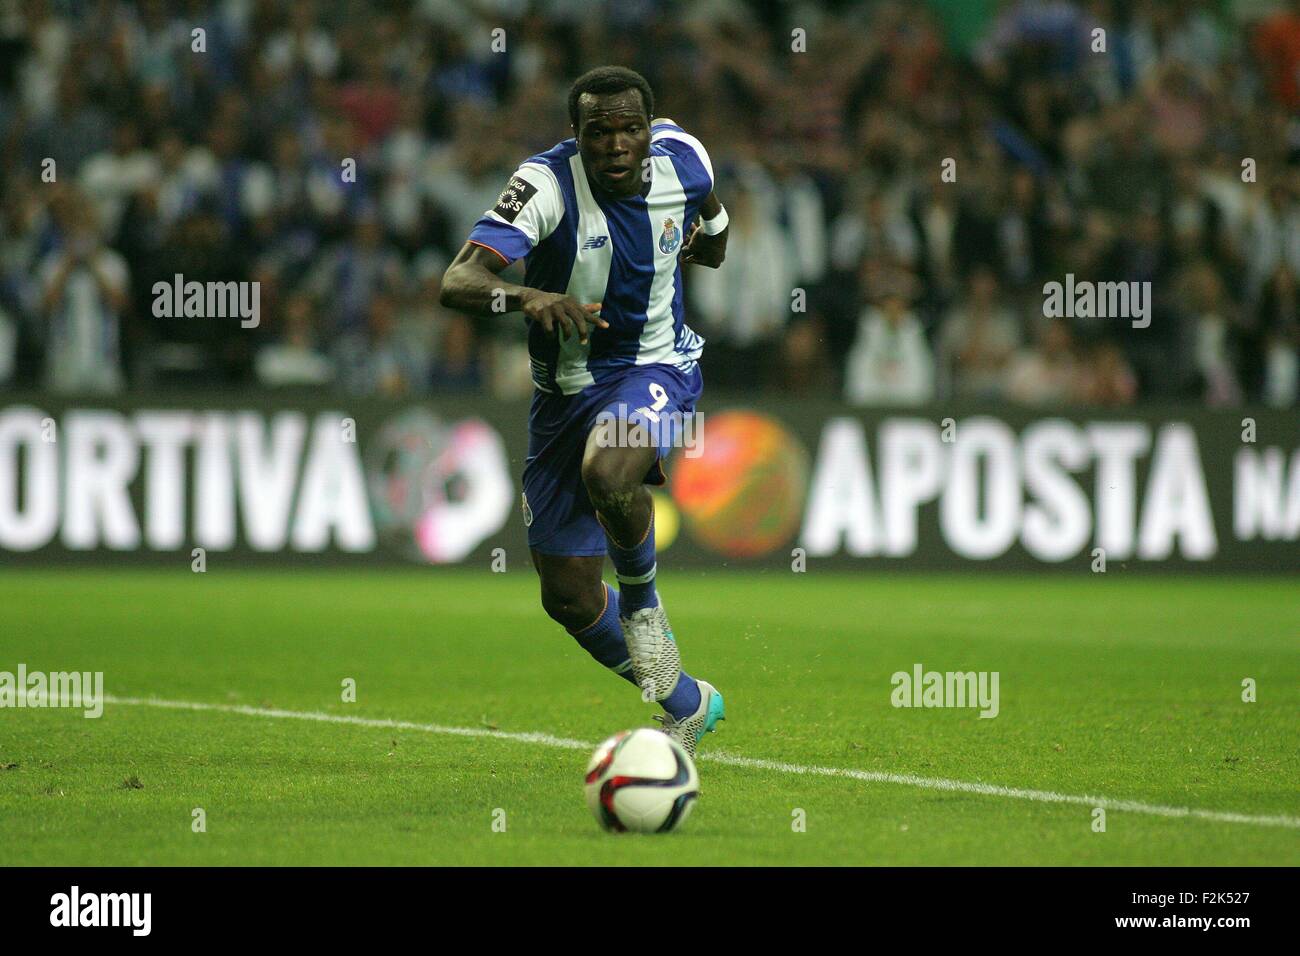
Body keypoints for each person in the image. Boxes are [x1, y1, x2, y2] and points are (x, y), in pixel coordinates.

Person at [439, 67, 728, 756]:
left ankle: (643, 603)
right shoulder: (544, 185)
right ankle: (688, 702)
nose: (617, 145)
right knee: (566, 595)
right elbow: (459, 279)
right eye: (599, 132)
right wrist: (525, 298)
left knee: (610, 470)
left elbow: (714, 236)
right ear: (577, 136)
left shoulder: (685, 159)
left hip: (656, 365)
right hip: (565, 393)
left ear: (649, 131)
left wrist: (681, 251)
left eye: (630, 129)